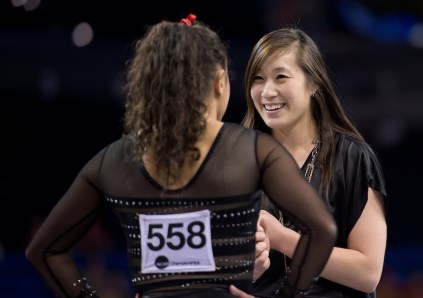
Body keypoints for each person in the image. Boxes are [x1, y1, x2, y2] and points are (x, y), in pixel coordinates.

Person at [25, 14, 337, 298]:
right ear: (219, 82)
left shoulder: (113, 161)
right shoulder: (254, 150)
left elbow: (44, 250)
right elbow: (321, 229)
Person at [241, 27, 388, 297]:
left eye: (281, 77)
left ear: (314, 84)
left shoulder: (350, 157)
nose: (267, 91)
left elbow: (368, 274)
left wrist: (285, 240)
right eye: (258, 79)